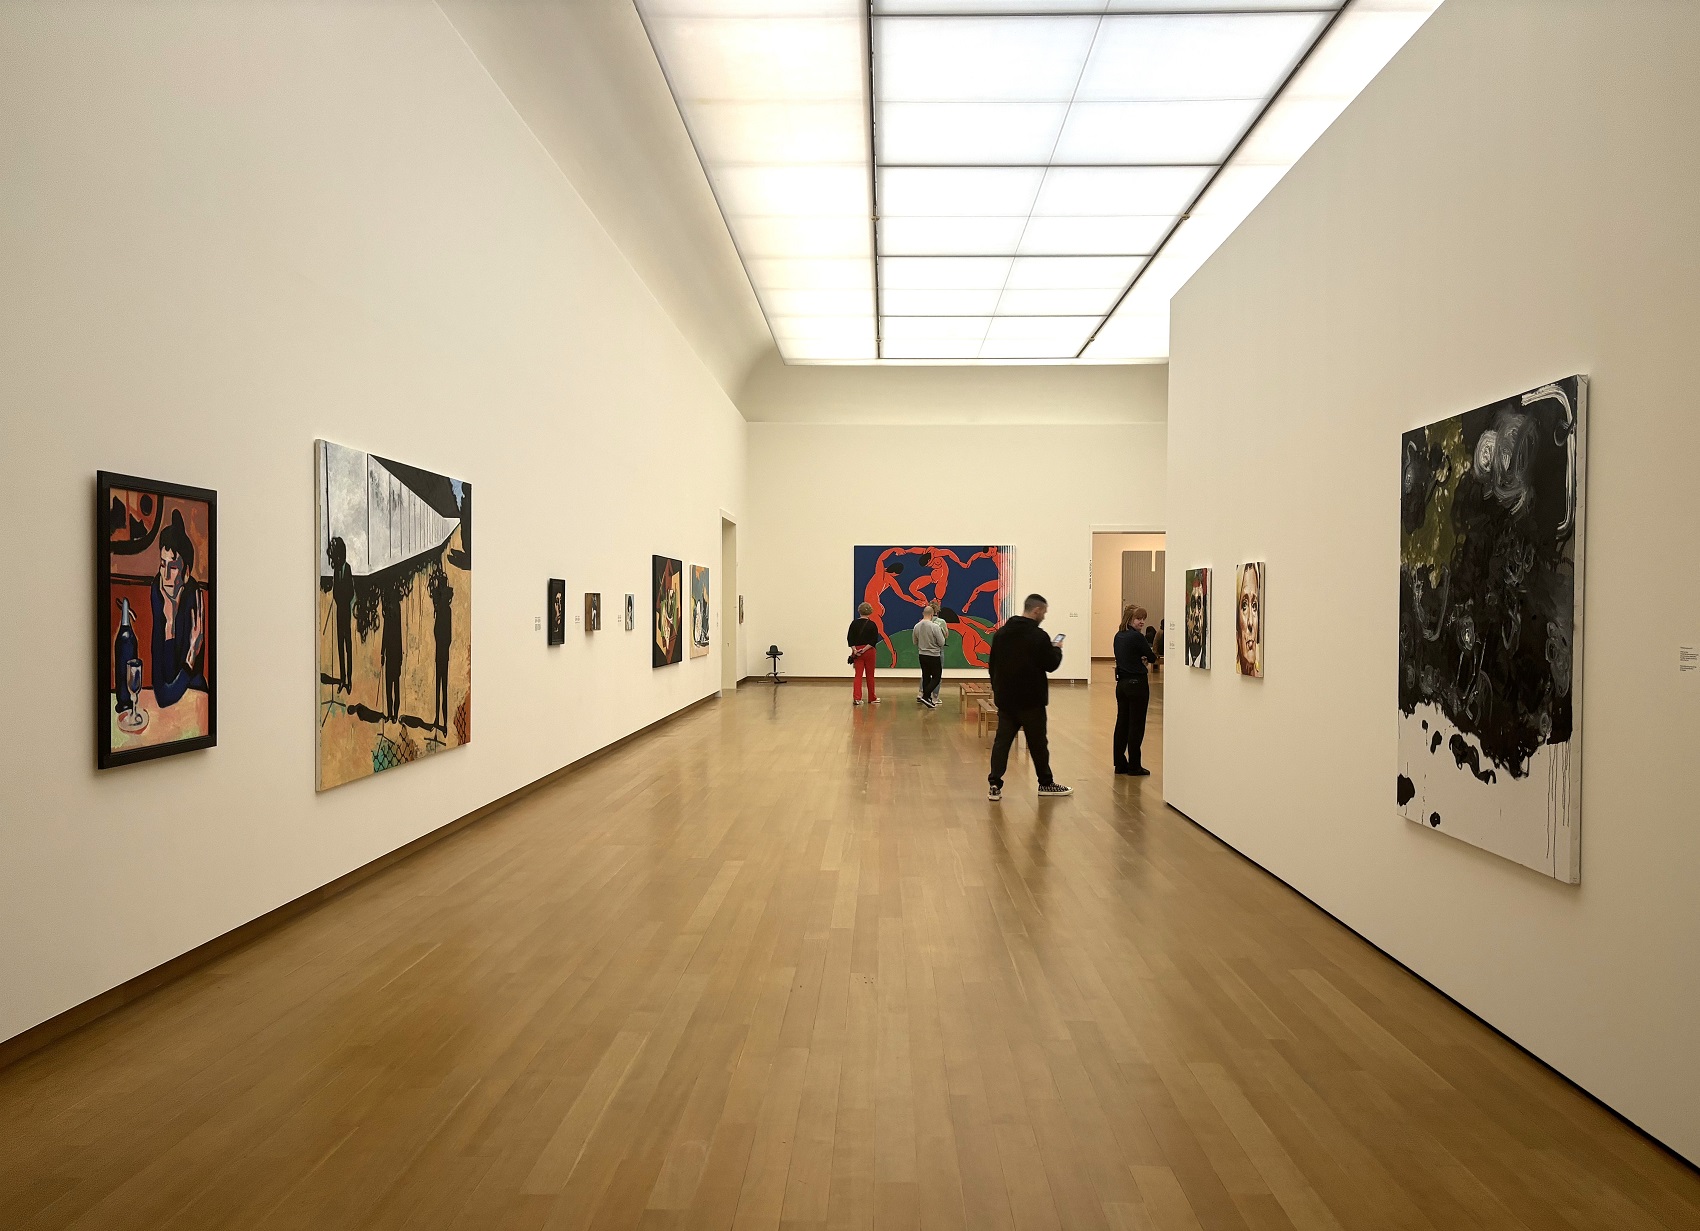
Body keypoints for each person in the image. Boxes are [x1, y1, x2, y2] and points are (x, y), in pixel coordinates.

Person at [986, 593, 1071, 801]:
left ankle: (994, 784)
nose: (1044, 616)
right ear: (1036, 610)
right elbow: (1051, 664)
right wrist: (1057, 650)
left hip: (1007, 700)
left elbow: (992, 666)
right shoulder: (1039, 636)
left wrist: (998, 690)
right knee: (1038, 744)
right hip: (1031, 701)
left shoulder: (1001, 634)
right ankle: (1046, 784)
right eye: (1044, 612)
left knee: (1002, 743)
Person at [150, 510, 207, 708]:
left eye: (173, 567)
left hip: (194, 698)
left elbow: (186, 682)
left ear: (186, 573)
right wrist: (170, 624)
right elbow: (162, 692)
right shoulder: (157, 592)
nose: (165, 575)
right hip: (173, 702)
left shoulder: (193, 599)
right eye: (162, 564)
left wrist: (191, 654)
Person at [1113, 604, 1158, 776]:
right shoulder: (1137, 637)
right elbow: (1152, 657)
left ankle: (1119, 763)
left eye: (1143, 619)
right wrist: (1144, 658)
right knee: (1136, 726)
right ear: (1129, 619)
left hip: (1122, 685)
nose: (1142, 622)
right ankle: (1134, 765)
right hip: (1137, 685)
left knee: (1122, 724)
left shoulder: (1118, 636)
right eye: (1138, 618)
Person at [846, 601, 882, 705]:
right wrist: (865, 649)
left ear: (859, 611)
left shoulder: (854, 624)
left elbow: (850, 638)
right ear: (870, 612)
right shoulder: (872, 624)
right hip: (869, 651)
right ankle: (872, 697)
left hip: (857, 652)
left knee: (858, 675)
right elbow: (873, 640)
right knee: (870, 675)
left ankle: (857, 698)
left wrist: (855, 650)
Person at [913, 603, 947, 708]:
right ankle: (926, 695)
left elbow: (915, 641)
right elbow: (941, 642)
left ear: (923, 613)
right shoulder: (935, 627)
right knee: (936, 677)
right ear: (932, 614)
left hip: (922, 655)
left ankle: (927, 699)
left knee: (926, 676)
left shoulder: (917, 626)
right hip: (934, 655)